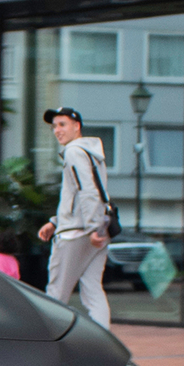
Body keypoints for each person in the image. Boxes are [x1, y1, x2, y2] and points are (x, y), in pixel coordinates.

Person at [33, 105, 111, 325]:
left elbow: (87, 190)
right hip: (95, 228)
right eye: (54, 126)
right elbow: (83, 193)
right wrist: (55, 222)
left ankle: (50, 344)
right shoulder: (92, 152)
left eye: (62, 124)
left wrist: (92, 227)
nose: (57, 130)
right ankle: (102, 346)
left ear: (77, 127)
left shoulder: (74, 151)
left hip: (78, 232)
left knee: (57, 293)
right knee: (93, 290)